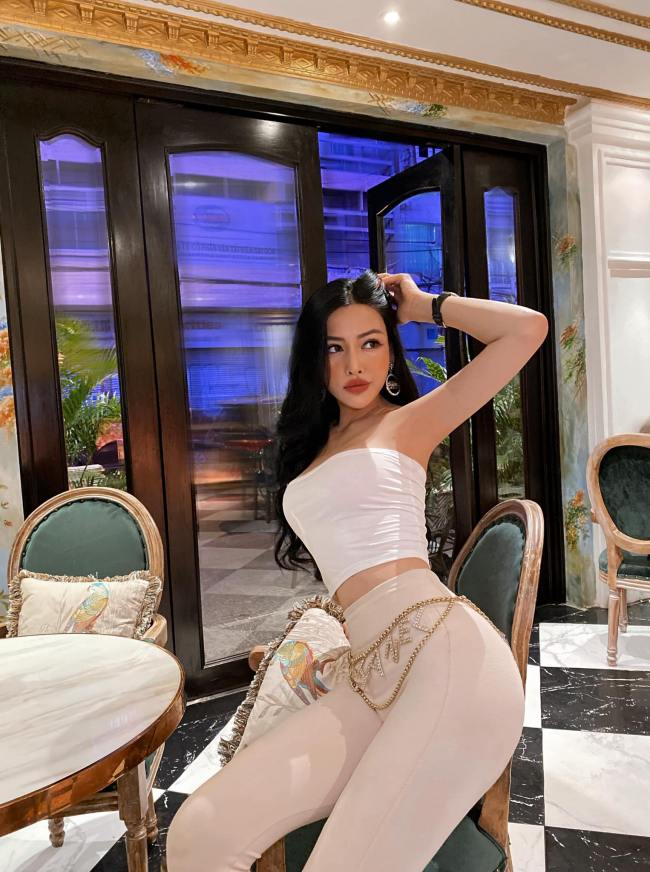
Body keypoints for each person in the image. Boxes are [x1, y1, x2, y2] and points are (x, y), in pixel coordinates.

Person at [167, 270, 548, 872]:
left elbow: (527, 330)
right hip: (370, 673)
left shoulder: (409, 422)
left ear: (391, 350)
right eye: (335, 347)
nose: (354, 364)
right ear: (314, 359)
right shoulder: (312, 447)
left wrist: (425, 306)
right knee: (200, 831)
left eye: (371, 342)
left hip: (448, 660)